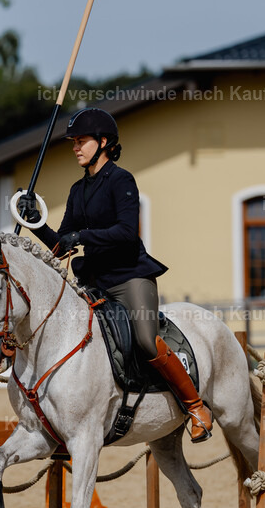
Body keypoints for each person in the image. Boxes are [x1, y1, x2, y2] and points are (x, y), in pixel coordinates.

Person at [18, 108, 213, 442]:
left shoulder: (122, 181)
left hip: (130, 278)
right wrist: (37, 223)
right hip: (93, 284)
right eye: (73, 142)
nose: (76, 147)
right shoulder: (77, 191)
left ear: (104, 142)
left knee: (143, 339)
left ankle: (195, 406)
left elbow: (124, 231)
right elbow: (62, 245)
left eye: (82, 141)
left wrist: (80, 237)